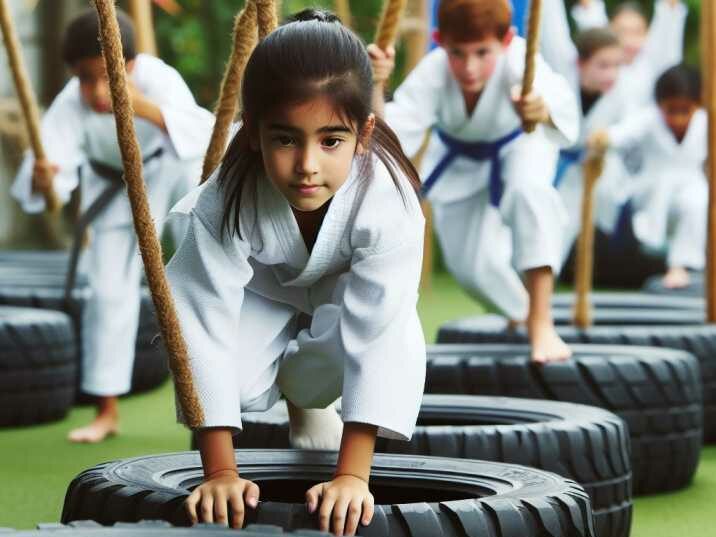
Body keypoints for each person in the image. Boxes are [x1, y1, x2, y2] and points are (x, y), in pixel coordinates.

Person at [165, 10, 426, 536]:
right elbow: (200, 326)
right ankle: (297, 399)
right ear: (254, 130)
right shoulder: (223, 202)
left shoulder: (389, 203)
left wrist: (352, 476)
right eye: (285, 139)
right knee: (228, 382)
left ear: (364, 131)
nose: (307, 164)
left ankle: (306, 405)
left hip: (344, 291)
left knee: (359, 351)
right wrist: (220, 472)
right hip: (258, 292)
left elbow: (377, 336)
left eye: (331, 140)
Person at [10, 9, 214, 443]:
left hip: (175, 173)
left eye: (107, 77)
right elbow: (50, 171)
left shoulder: (157, 78)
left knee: (205, 270)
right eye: (85, 79)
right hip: (116, 188)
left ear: (132, 66)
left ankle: (221, 397)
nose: (97, 92)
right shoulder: (70, 104)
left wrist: (141, 106)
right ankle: (106, 410)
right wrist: (45, 178)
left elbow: (206, 134)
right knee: (106, 291)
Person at [369, 0, 578, 362]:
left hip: (520, 143)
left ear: (507, 39)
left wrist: (540, 109)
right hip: (459, 161)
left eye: (482, 52)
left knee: (530, 192)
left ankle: (542, 322)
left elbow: (562, 106)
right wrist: (376, 83)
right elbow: (390, 135)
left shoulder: (519, 60)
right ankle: (523, 313)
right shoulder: (434, 71)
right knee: (471, 268)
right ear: (439, 41)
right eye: (457, 54)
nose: (469, 67)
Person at [588, 64, 706, 289]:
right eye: (672, 110)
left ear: (697, 103)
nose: (679, 118)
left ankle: (679, 266)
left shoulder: (706, 122)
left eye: (685, 110)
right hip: (652, 189)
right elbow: (623, 132)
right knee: (666, 187)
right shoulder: (648, 119)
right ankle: (656, 245)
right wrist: (605, 139)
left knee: (697, 201)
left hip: (691, 186)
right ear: (660, 104)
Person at [571, 0, 687, 108]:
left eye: (637, 32)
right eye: (622, 31)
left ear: (648, 34)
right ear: (609, 31)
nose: (629, 40)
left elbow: (669, 18)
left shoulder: (653, 61)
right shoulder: (599, 51)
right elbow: (590, 11)